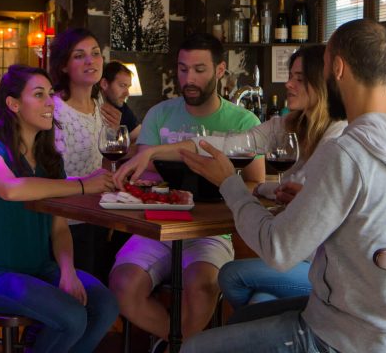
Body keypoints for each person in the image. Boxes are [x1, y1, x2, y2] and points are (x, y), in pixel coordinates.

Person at [178, 19, 386, 353]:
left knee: (193, 349)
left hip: (342, 337)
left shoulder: (346, 151)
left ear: (338, 67)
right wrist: (308, 200)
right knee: (240, 320)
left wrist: (229, 183)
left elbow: (278, 251)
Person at [115, 44, 347, 312]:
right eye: (290, 76)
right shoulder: (286, 126)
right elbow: (222, 144)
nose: (288, 84)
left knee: (232, 277)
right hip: (288, 256)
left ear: (322, 85)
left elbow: (310, 195)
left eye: (299, 79)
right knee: (254, 310)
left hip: (315, 262)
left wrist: (263, 187)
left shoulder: (339, 140)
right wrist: (154, 151)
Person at [108, 33, 264, 350]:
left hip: (210, 232)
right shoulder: (160, 114)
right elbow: (145, 171)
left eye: (199, 69)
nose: (188, 79)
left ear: (220, 70)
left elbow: (254, 182)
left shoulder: (243, 120)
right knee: (122, 284)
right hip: (157, 227)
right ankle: (177, 343)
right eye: (182, 69)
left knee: (202, 286)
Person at [0, 64, 118, 353]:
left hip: (39, 269)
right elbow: (10, 188)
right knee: (72, 317)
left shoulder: (50, 160)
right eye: (39, 94)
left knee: (106, 305)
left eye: (50, 94)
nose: (50, 102)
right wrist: (83, 184)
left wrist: (68, 270)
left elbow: (59, 228)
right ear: (13, 104)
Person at [49, 28, 123, 282]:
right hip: (63, 223)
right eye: (79, 55)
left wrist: (114, 135)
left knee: (101, 288)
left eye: (95, 54)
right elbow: (47, 174)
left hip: (96, 216)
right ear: (64, 66)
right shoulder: (54, 110)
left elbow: (104, 164)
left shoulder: (102, 106)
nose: (90, 61)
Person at [100, 61, 142, 142]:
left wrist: (116, 132)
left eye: (128, 87)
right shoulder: (91, 106)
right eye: (122, 85)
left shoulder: (122, 108)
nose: (127, 93)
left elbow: (141, 139)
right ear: (104, 84)